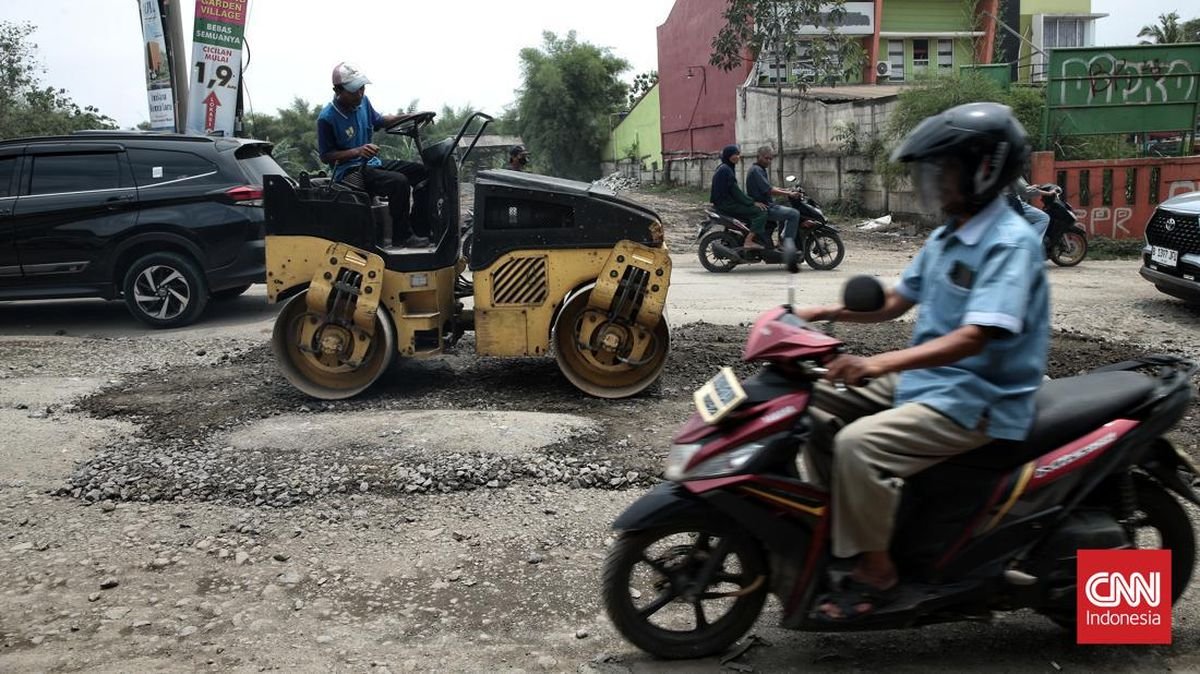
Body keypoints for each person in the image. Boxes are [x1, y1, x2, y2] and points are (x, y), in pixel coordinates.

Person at [794, 102, 1050, 624]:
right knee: (808, 395)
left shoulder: (1009, 243)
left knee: (857, 445)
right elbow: (896, 301)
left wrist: (877, 363)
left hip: (979, 397)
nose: (931, 184)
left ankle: (878, 571)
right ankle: (850, 528)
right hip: (930, 384)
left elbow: (974, 339)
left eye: (942, 171)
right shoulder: (947, 236)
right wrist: (826, 312)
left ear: (984, 170)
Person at [316, 62, 430, 248]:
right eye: (354, 91)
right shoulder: (327, 118)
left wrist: (413, 115)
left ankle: (420, 227)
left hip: (371, 163)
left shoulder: (363, 103)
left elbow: (381, 121)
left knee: (422, 172)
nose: (359, 94)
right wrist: (357, 151)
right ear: (338, 90)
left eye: (361, 88)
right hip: (350, 171)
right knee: (398, 182)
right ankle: (402, 237)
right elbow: (326, 156)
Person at [709, 145, 768, 249]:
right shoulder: (726, 170)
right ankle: (748, 241)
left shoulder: (724, 168)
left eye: (738, 154)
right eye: (735, 154)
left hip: (723, 203)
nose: (738, 157)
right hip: (727, 204)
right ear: (729, 156)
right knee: (761, 212)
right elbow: (736, 192)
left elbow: (735, 191)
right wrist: (752, 202)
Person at [746, 146, 802, 245]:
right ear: (758, 157)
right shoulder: (756, 170)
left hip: (766, 204)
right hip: (764, 207)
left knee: (785, 207)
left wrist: (786, 189)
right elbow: (769, 190)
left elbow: (769, 187)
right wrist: (789, 193)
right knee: (794, 214)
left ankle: (781, 240)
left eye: (770, 159)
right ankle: (787, 244)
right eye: (766, 158)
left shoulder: (759, 169)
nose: (768, 161)